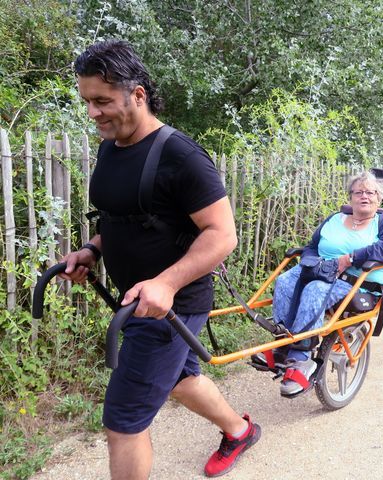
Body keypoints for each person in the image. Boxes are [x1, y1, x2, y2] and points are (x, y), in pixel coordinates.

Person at [59, 40, 259, 479]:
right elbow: (124, 218)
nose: (92, 112)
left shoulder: (181, 157)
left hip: (173, 307)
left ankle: (237, 430)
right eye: (87, 101)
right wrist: (93, 249)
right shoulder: (112, 146)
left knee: (122, 422)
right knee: (181, 379)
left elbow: (223, 235)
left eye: (102, 101)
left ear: (137, 94)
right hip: (137, 301)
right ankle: (239, 431)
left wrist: (166, 284)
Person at [256, 172, 383, 396]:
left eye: (370, 192)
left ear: (379, 197)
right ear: (350, 197)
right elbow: (314, 244)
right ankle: (283, 346)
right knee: (285, 281)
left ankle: (302, 358)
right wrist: (309, 260)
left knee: (315, 290)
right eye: (358, 192)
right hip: (319, 267)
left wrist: (349, 259)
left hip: (355, 278)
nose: (364, 196)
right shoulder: (335, 218)